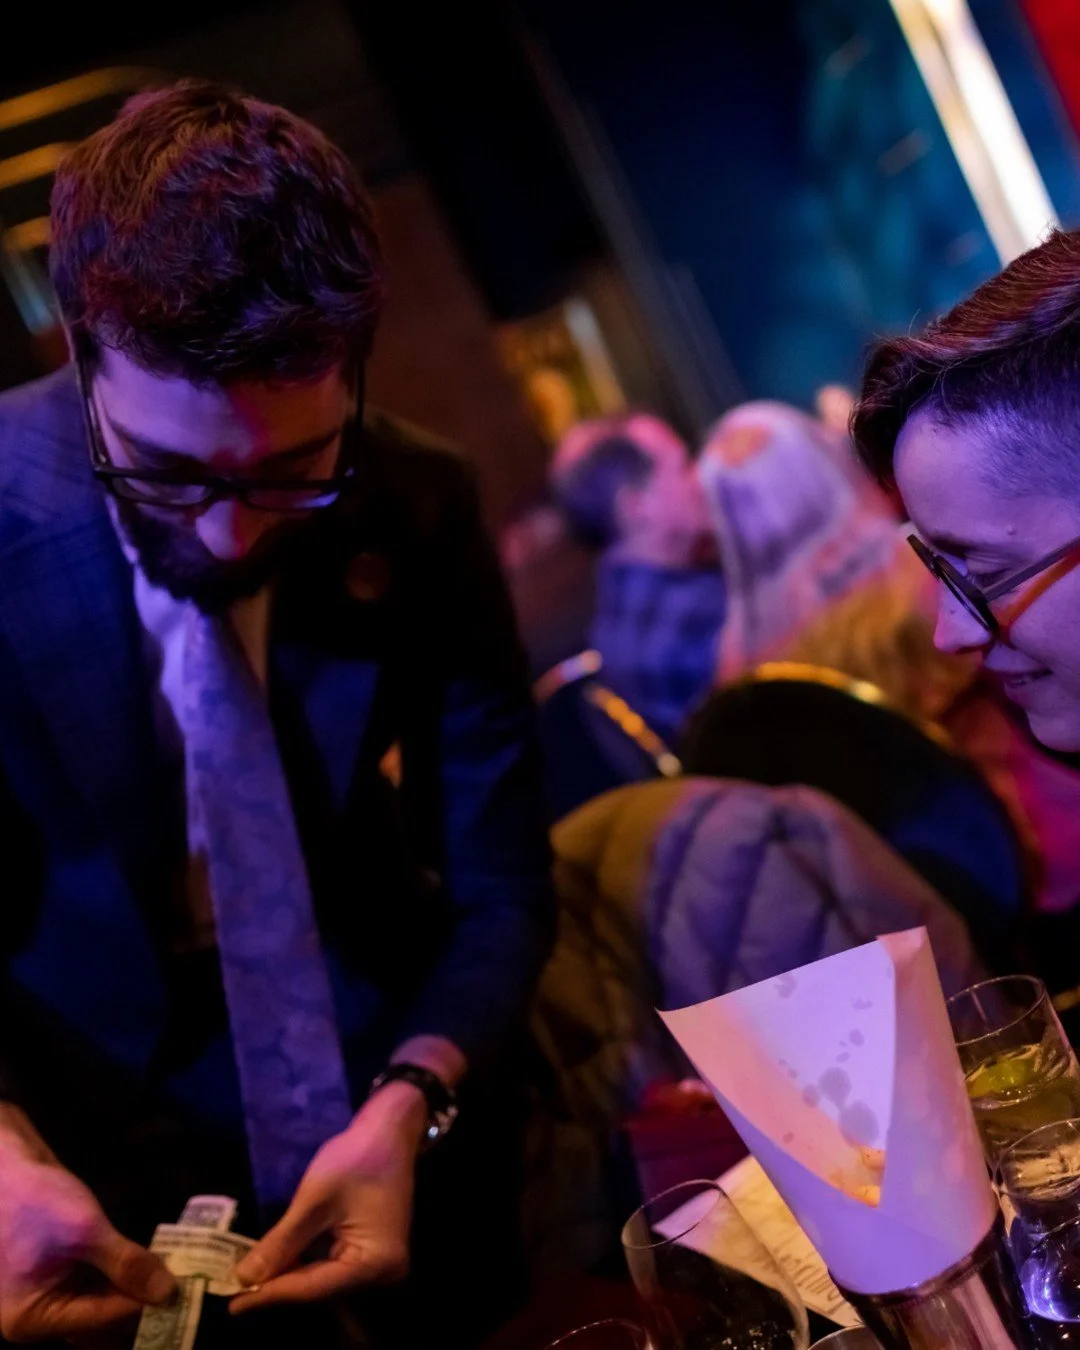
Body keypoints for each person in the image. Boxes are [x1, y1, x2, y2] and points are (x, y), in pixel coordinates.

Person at [0, 81, 552, 1349]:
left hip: (397, 1113)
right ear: (80, 349)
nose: (228, 530)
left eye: (293, 475)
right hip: (74, 1163)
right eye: (171, 471)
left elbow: (503, 885)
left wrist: (417, 1093)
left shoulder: (418, 500)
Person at [549, 413, 725, 744]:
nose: (701, 477)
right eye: (683, 465)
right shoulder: (693, 614)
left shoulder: (617, 617)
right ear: (636, 505)